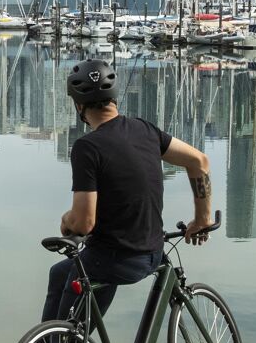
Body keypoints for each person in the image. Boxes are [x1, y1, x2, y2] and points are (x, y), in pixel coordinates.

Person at [43, 57, 214, 325]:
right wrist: (202, 219)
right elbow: (199, 162)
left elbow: (84, 223)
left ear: (78, 105)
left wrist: (67, 221)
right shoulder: (145, 130)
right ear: (114, 97)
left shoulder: (87, 147)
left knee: (69, 322)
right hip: (153, 253)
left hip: (112, 260)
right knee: (59, 272)